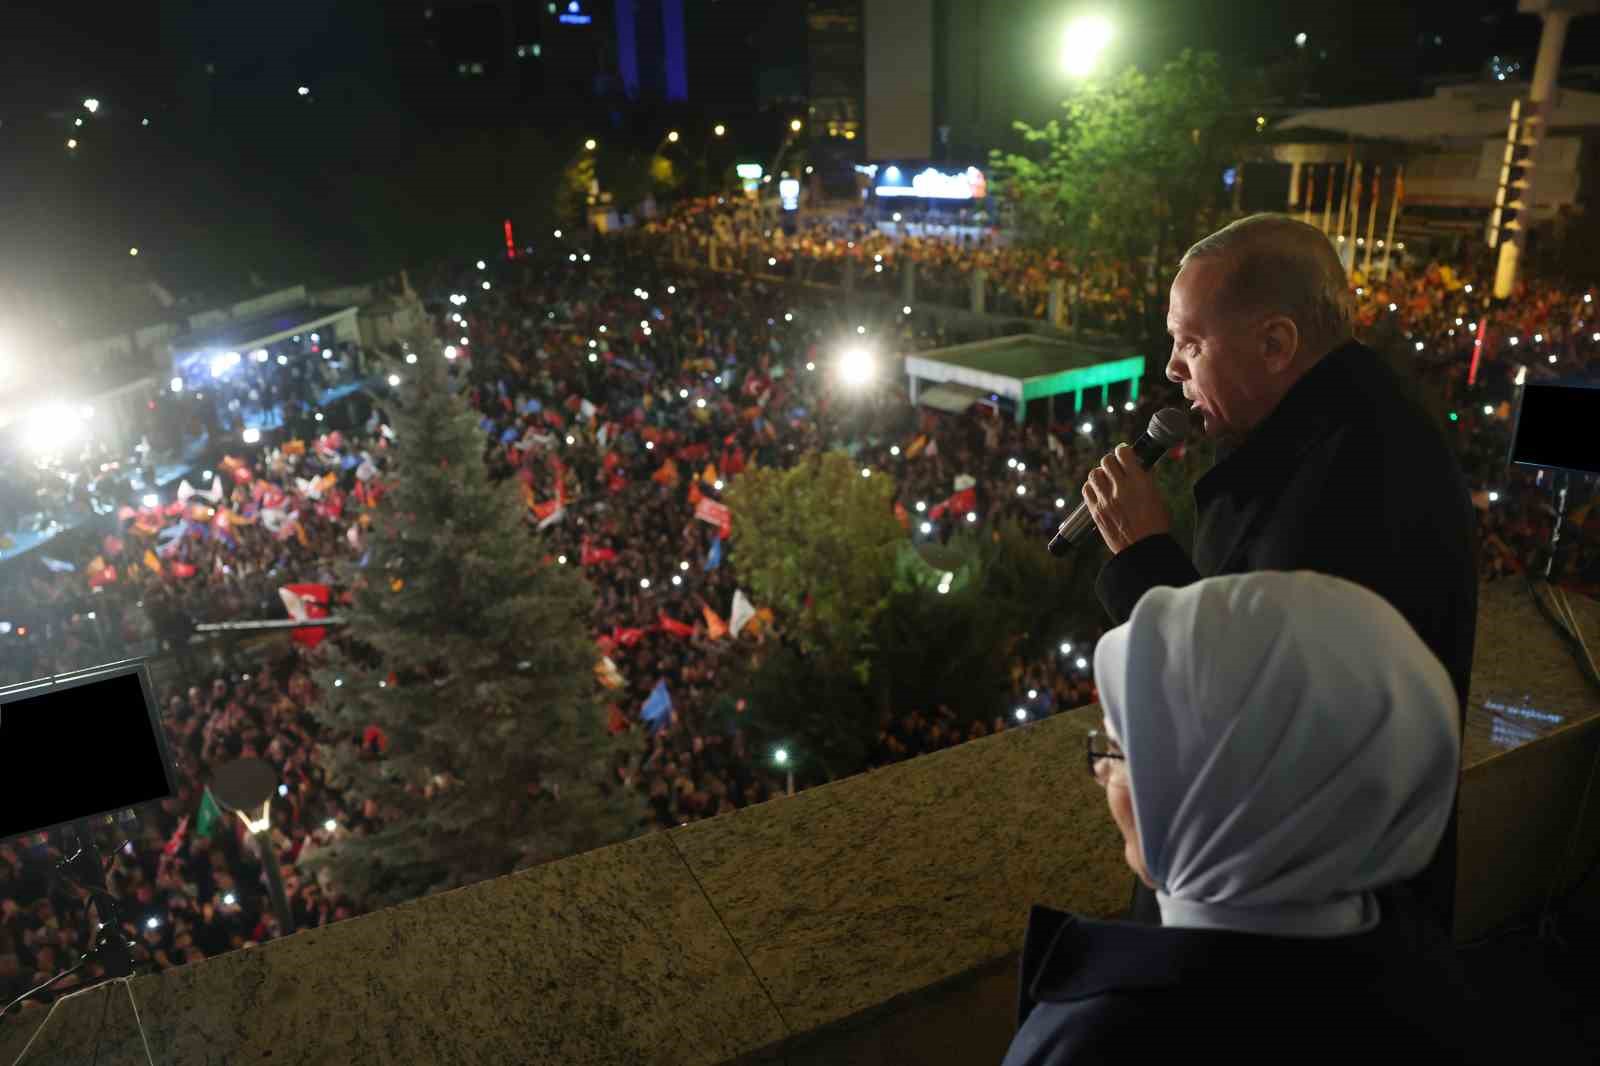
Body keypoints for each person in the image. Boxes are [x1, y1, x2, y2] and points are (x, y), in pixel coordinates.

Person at [1079, 214, 1477, 931]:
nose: (1171, 368)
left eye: (1190, 343)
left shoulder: (1356, 480)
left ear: (1275, 344)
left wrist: (1143, 557)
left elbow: (1248, 715)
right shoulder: (1343, 434)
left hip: (1291, 944)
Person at [1002, 572, 1481, 1066]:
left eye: (1123, 751)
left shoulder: (1100, 1043)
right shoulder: (1431, 981)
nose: (1102, 772)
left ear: (1218, 787)